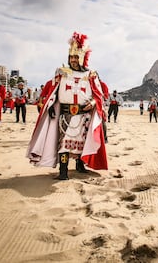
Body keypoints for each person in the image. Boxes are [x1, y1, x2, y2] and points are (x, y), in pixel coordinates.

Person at [26, 31, 108, 180]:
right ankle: (63, 172)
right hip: (65, 114)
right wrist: (50, 106)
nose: (73, 60)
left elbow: (99, 95)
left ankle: (80, 165)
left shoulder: (91, 74)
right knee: (63, 143)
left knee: (81, 143)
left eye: (76, 56)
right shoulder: (61, 73)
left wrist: (93, 102)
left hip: (84, 115)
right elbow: (53, 92)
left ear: (83, 57)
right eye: (71, 56)